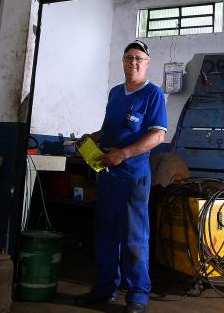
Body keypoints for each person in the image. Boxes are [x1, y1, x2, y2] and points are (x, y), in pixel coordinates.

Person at [75, 40, 167, 312]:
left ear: (147, 62)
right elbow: (108, 130)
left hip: (133, 177)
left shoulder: (153, 94)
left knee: (134, 237)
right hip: (108, 175)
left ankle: (138, 295)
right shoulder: (115, 93)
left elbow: (158, 135)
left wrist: (124, 154)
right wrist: (91, 138)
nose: (134, 62)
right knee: (105, 235)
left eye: (139, 58)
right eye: (129, 58)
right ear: (123, 61)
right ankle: (104, 289)